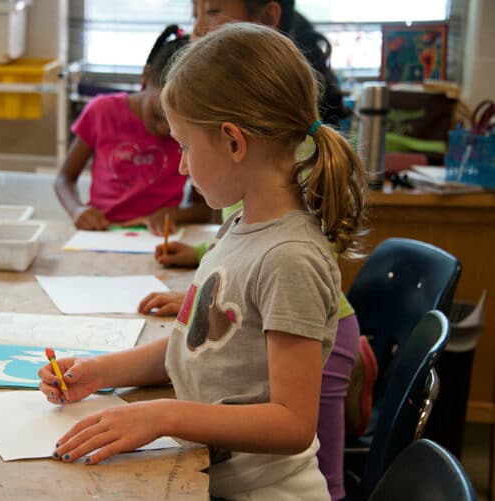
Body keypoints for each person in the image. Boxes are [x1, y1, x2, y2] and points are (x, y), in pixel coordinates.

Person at [39, 23, 366, 500]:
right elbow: (196, 345)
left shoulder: (290, 258)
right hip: (211, 479)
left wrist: (163, 415)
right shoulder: (239, 228)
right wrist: (102, 372)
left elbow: (293, 423)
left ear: (234, 142)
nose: (181, 166)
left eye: (186, 146)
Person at [54, 25, 211, 235]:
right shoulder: (101, 112)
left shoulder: (191, 127)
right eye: (159, 114)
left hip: (157, 238)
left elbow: (204, 209)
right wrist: (77, 210)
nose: (166, 129)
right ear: (145, 77)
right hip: (102, 233)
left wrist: (174, 214)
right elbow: (64, 178)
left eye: (175, 121)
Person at [191, 0, 347, 127]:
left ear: (267, 18)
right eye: (195, 15)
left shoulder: (274, 106)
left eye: (212, 12)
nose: (197, 29)